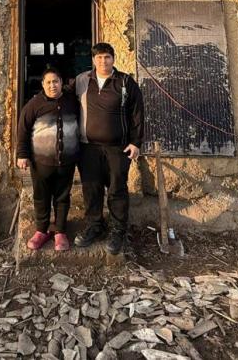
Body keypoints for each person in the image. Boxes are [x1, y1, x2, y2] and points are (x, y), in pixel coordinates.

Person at [70, 42, 144, 255]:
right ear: (93, 60)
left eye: (107, 57)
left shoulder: (125, 82)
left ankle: (118, 230)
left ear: (113, 59)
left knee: (116, 189)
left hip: (117, 148)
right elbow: (64, 101)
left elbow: (137, 113)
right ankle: (95, 226)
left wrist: (136, 142)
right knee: (91, 188)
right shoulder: (82, 80)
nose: (103, 61)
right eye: (99, 57)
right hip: (88, 147)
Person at [15, 66, 80, 251]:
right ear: (43, 84)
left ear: (61, 83)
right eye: (49, 82)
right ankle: (41, 230)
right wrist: (22, 155)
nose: (52, 85)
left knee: (62, 197)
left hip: (66, 161)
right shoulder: (34, 104)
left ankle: (60, 231)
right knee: (41, 196)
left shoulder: (71, 101)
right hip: (41, 161)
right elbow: (23, 130)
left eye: (56, 81)